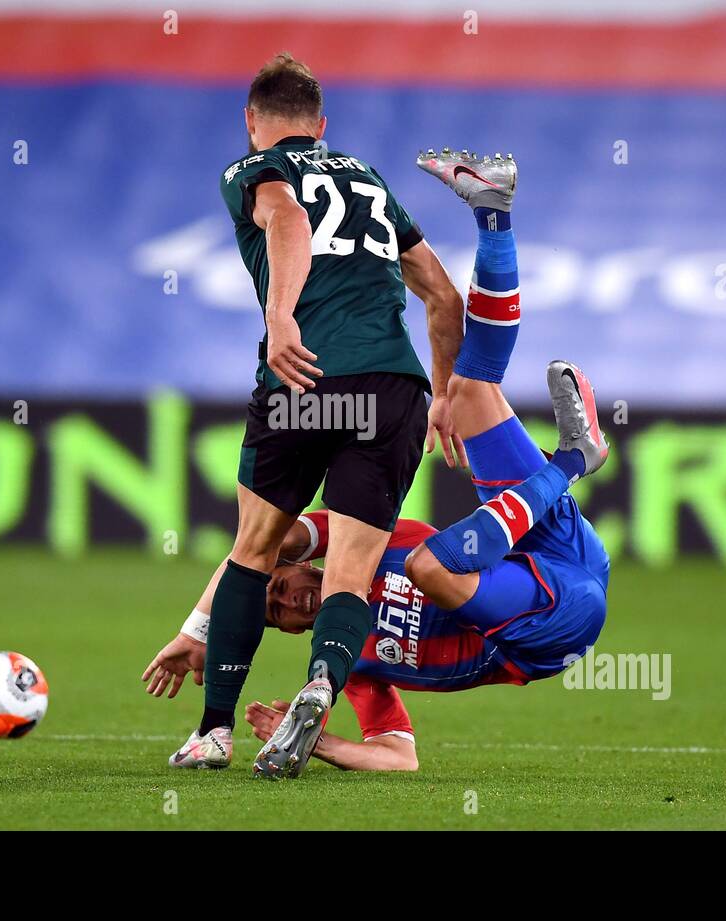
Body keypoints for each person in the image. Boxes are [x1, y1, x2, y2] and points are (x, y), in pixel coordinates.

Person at [144, 149, 611, 774]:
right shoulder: (351, 658)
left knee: (470, 392)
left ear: (304, 568)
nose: (290, 604)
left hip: (555, 545)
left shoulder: (341, 539)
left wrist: (199, 629)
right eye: (282, 616)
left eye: (281, 592)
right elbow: (399, 758)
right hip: (540, 631)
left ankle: (493, 212)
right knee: (427, 564)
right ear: (291, 636)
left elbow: (253, 550)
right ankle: (573, 460)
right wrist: (318, 741)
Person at [153, 53, 467, 778]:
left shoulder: (250, 171)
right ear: (322, 127)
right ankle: (322, 684)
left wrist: (281, 315)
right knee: (349, 577)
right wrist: (445, 394)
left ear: (253, 124)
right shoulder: (371, 181)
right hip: (393, 389)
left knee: (255, 548)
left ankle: (214, 732)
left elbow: (288, 217)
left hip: (305, 379)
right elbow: (445, 300)